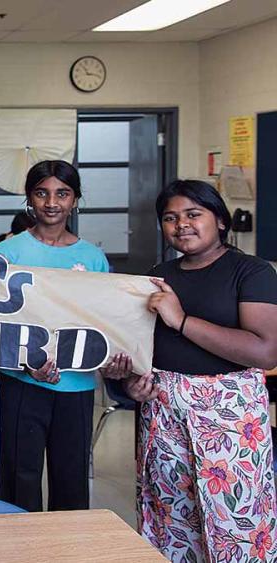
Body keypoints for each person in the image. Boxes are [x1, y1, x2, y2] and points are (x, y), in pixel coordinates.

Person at [118, 180, 277, 562]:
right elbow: (143, 348)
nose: (181, 225)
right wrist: (130, 383)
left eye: (193, 214)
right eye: (170, 218)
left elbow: (265, 350)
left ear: (220, 220)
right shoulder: (158, 274)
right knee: (170, 520)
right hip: (164, 413)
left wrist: (182, 320)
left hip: (230, 420)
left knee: (234, 523)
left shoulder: (252, 272)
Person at [0, 159, 113, 513]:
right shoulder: (7, 254)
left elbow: (104, 320)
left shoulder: (92, 258)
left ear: (75, 199)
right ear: (29, 198)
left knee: (71, 478)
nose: (52, 202)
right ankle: (18, 550)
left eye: (62, 193)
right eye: (41, 193)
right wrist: (28, 365)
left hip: (76, 387)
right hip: (22, 384)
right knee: (20, 477)